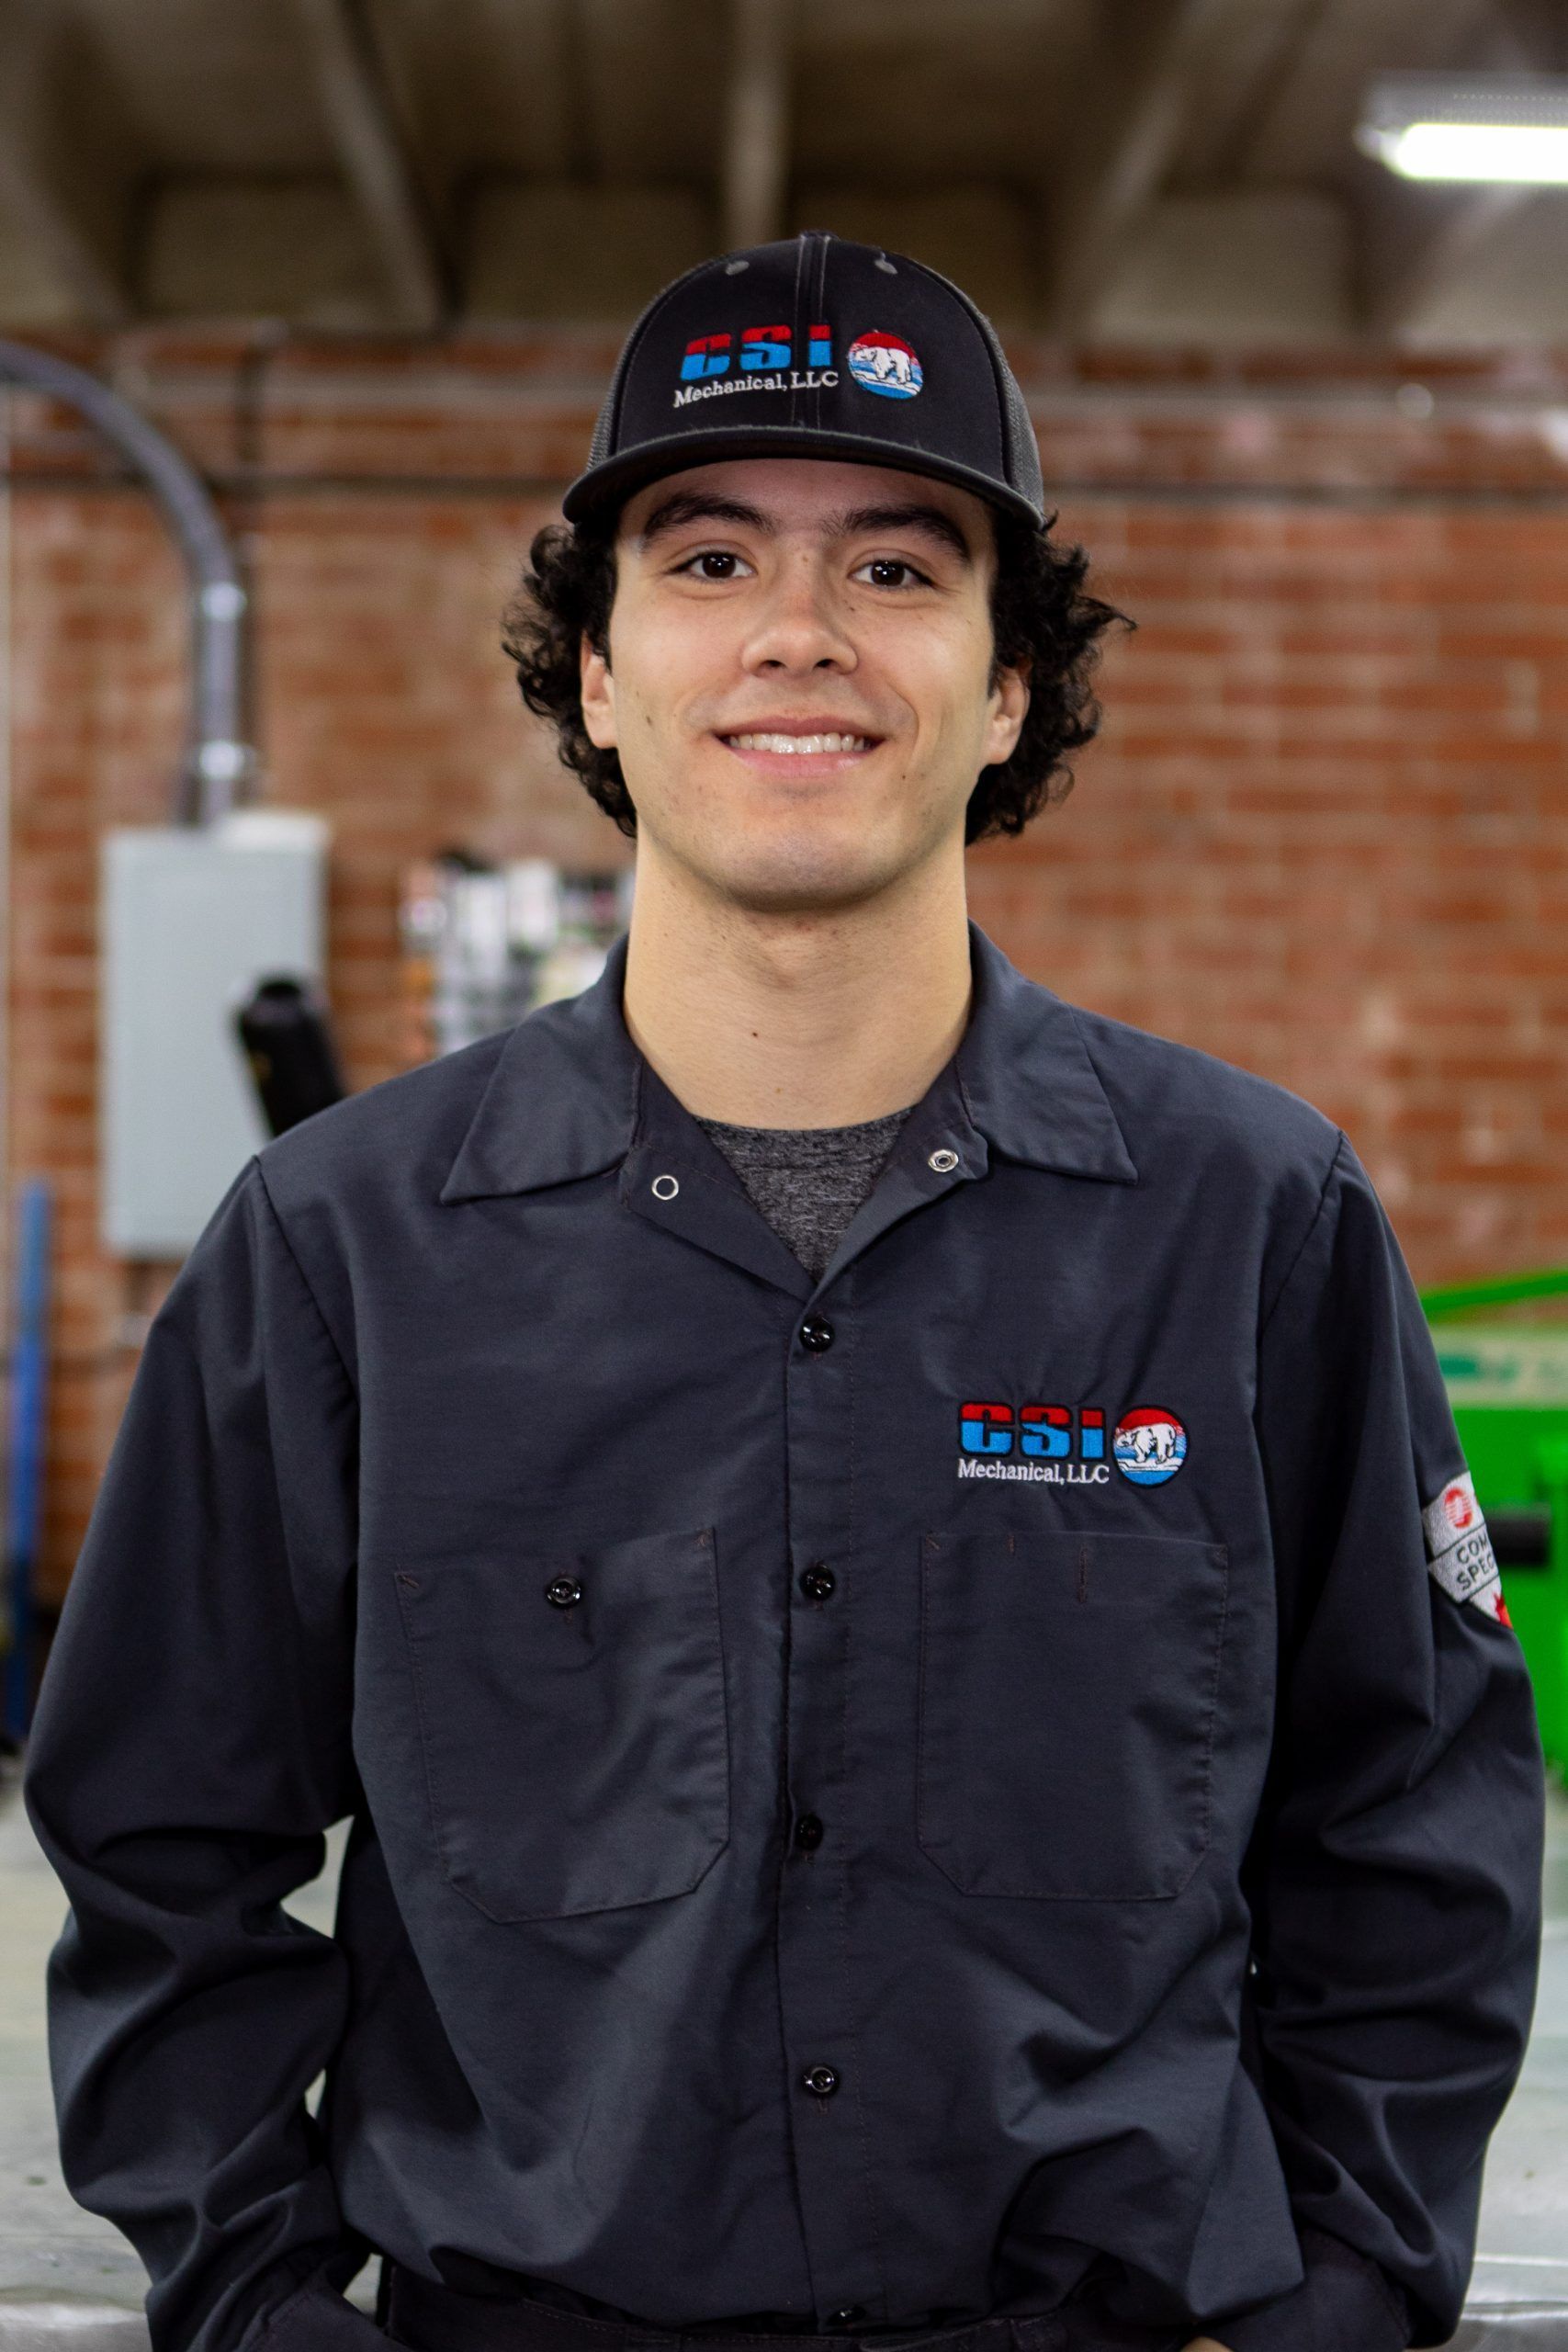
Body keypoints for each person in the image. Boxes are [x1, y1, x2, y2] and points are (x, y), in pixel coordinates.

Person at [23, 233, 1545, 2352]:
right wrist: (266, 2306)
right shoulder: (341, 1247)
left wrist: (1348, 2288)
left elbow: (1412, 1818)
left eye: (900, 568)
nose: (801, 633)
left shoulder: (1249, 1218)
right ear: (595, 671)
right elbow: (154, 1851)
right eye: (710, 559)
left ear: (1007, 682)